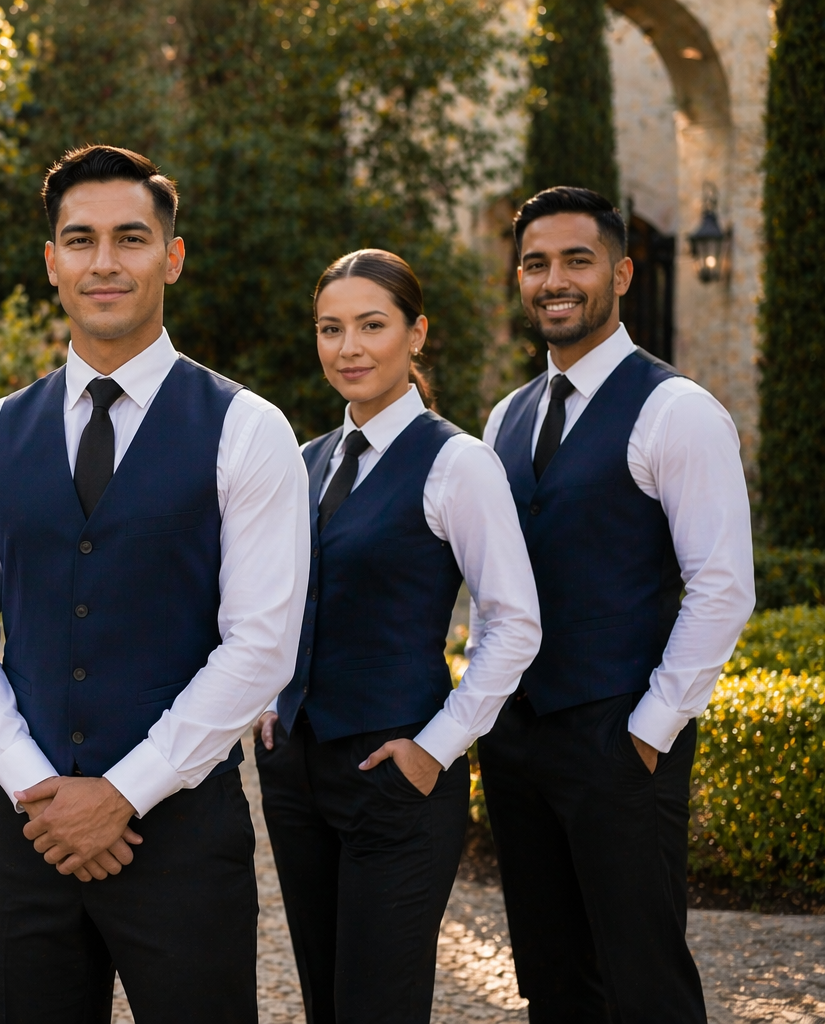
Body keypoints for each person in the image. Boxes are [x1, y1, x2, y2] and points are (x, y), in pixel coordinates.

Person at [0, 144, 310, 1022]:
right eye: (81, 240)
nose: (105, 262)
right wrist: (37, 789)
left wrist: (122, 794)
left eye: (130, 239)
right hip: (29, 837)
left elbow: (260, 645)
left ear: (171, 256)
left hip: (182, 837)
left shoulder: (247, 429)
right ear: (51, 261)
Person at [479, 186, 755, 1022]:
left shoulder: (677, 411)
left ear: (622, 273)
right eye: (535, 263)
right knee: (554, 981)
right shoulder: (504, 419)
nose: (553, 279)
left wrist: (650, 730)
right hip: (519, 743)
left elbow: (723, 586)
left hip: (619, 739)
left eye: (576, 260)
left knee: (644, 985)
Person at [252, 249, 542, 1023]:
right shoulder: (303, 462)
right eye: (330, 328)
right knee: (325, 997)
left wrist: (436, 747)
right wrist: (267, 699)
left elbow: (513, 624)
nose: (348, 348)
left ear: (417, 334)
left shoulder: (458, 464)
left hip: (397, 770)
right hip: (297, 769)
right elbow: (272, 602)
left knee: (379, 1004)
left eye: (371, 326)